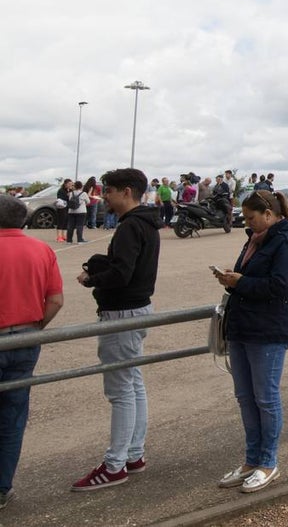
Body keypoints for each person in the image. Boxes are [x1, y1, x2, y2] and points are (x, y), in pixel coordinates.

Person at [72, 168, 161, 492]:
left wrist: (91, 278)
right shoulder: (145, 224)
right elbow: (129, 266)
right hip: (136, 309)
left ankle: (114, 465)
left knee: (121, 389)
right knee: (132, 384)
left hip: (122, 312)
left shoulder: (130, 226)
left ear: (126, 192)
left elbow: (122, 273)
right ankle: (133, 455)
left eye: (108, 190)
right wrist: (99, 263)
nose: (104, 196)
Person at [213, 190, 288, 494]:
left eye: (251, 217)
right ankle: (251, 460)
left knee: (265, 397)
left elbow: (284, 284)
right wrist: (234, 279)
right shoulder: (255, 238)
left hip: (268, 328)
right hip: (243, 325)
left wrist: (241, 282)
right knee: (245, 396)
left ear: (268, 214)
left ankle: (267, 462)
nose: (247, 222)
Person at [0, 195, 65, 510]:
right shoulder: (42, 250)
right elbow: (55, 301)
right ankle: (2, 488)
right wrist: (35, 327)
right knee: (12, 416)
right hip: (26, 339)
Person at [55, 178, 73, 243]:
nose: (71, 185)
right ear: (65, 184)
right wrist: (67, 196)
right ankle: (59, 236)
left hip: (68, 208)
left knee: (66, 222)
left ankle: (64, 236)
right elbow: (60, 199)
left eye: (71, 184)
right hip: (62, 208)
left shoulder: (71, 190)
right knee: (61, 221)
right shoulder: (61, 190)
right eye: (69, 184)